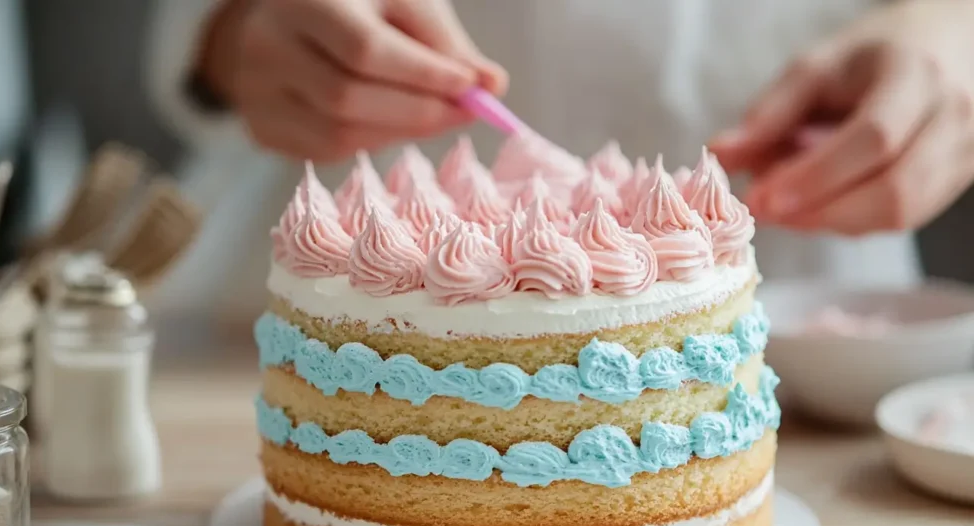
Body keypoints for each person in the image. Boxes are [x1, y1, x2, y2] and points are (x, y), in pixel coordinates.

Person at [147, 0, 974, 323]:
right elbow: (201, 28)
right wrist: (237, 29)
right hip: (371, 278)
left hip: (813, 310)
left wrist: (954, 32)